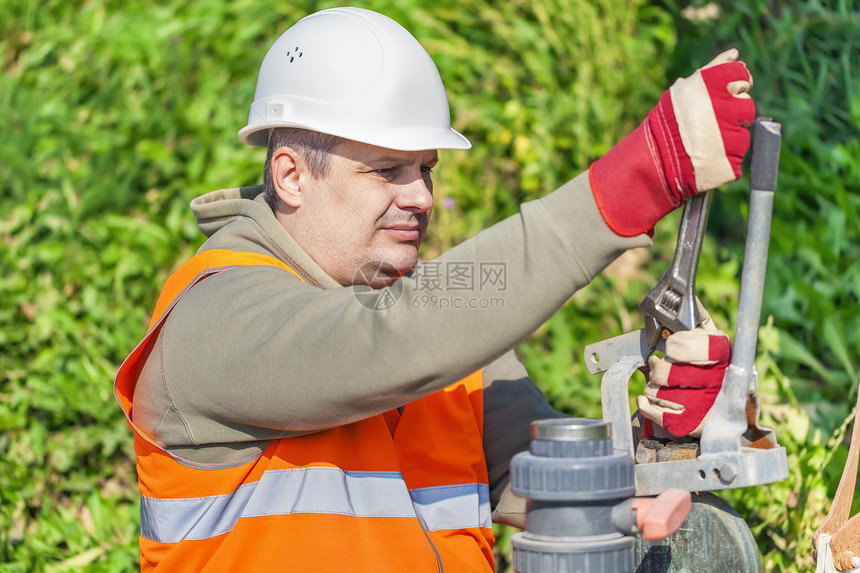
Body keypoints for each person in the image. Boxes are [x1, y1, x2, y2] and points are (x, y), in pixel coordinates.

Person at [115, 6, 753, 572]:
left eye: (425, 169)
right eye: (387, 169)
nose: (420, 196)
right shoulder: (215, 315)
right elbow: (390, 338)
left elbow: (552, 488)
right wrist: (631, 183)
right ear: (291, 176)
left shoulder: (436, 327)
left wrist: (661, 447)